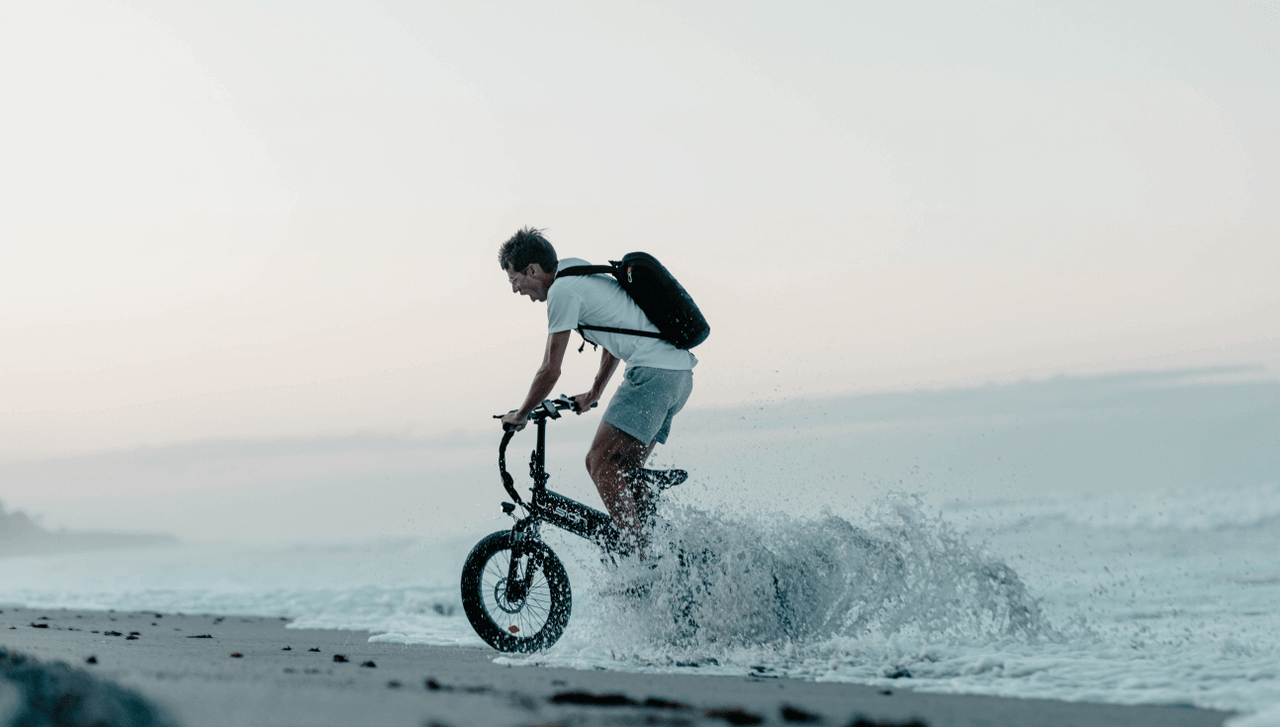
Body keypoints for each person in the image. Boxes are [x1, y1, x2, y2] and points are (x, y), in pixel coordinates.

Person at [498, 227, 696, 553]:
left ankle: (640, 559)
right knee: (625, 473)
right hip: (677, 377)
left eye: (514, 280)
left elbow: (550, 370)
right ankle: (669, 556)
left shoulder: (562, 292)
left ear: (532, 270)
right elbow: (614, 335)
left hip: (652, 374)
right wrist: (594, 393)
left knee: (599, 463)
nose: (516, 290)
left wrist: (521, 414)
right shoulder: (575, 270)